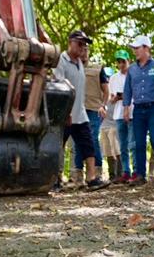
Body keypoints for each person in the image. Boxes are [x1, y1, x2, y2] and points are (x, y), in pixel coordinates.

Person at [55, 30, 107, 190]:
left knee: (88, 144)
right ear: (70, 42)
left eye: (84, 45)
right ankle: (55, 179)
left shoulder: (79, 63)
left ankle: (91, 178)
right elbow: (59, 87)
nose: (82, 47)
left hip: (80, 112)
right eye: (79, 43)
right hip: (65, 114)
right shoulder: (61, 60)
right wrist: (66, 112)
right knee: (58, 146)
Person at [122, 34, 154, 185]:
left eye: (137, 48)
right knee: (138, 143)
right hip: (138, 109)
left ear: (147, 48)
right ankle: (140, 174)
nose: (135, 51)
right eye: (134, 48)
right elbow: (127, 89)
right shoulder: (132, 69)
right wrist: (126, 108)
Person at [106, 49, 132, 182]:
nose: (121, 64)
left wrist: (125, 96)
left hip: (133, 113)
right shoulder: (113, 78)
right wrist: (114, 98)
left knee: (134, 143)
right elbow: (111, 97)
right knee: (123, 145)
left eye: (123, 61)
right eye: (119, 62)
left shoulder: (134, 74)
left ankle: (138, 172)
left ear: (129, 61)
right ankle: (126, 172)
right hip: (119, 114)